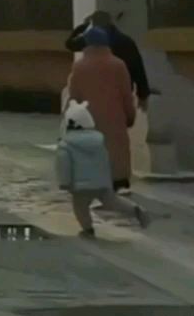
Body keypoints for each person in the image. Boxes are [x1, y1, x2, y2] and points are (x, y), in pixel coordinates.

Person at [56, 98, 148, 237]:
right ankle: (135, 210)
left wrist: (64, 183)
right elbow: (104, 160)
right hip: (101, 183)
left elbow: (64, 165)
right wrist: (106, 179)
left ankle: (88, 229)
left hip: (81, 187)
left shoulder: (66, 145)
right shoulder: (99, 141)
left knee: (80, 208)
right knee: (113, 202)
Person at [64, 25, 140, 193]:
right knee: (116, 153)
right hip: (115, 120)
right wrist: (130, 115)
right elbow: (126, 95)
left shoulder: (80, 67)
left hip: (89, 121)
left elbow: (74, 97)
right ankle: (120, 183)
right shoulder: (118, 65)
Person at [64, 10, 151, 106]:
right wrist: (143, 94)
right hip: (120, 92)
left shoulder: (91, 40)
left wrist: (83, 27)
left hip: (95, 92)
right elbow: (138, 69)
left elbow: (70, 45)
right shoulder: (126, 41)